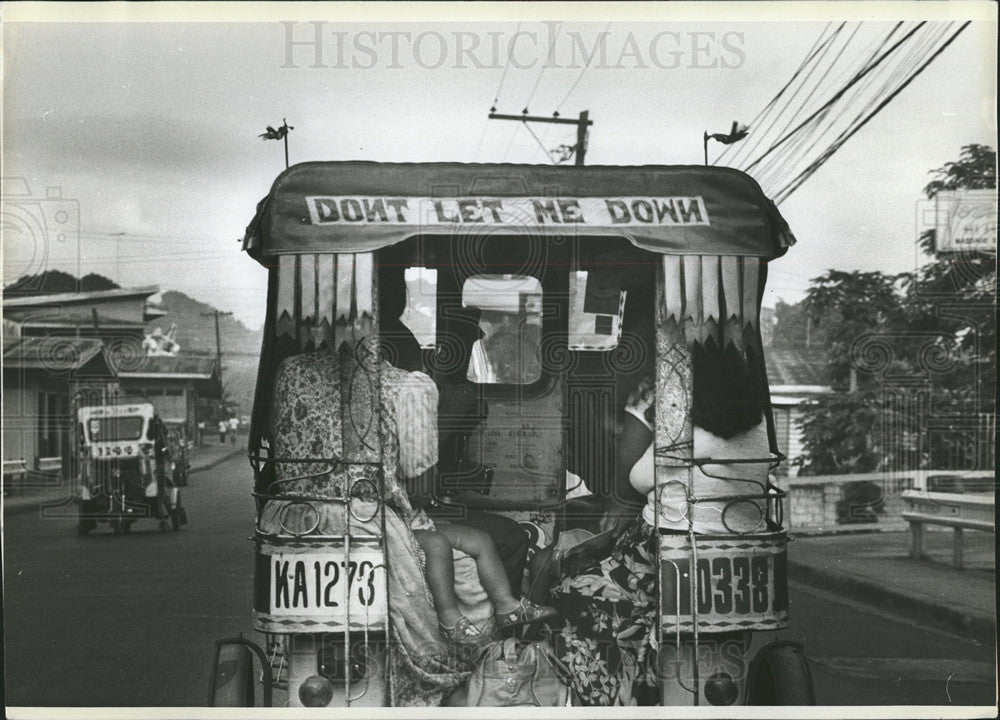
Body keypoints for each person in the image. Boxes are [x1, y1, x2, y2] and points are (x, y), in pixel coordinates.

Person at [544, 318, 772, 705]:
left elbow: (633, 477)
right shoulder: (755, 411)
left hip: (664, 555)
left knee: (566, 595)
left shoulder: (665, 405)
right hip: (740, 558)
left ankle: (611, 697)